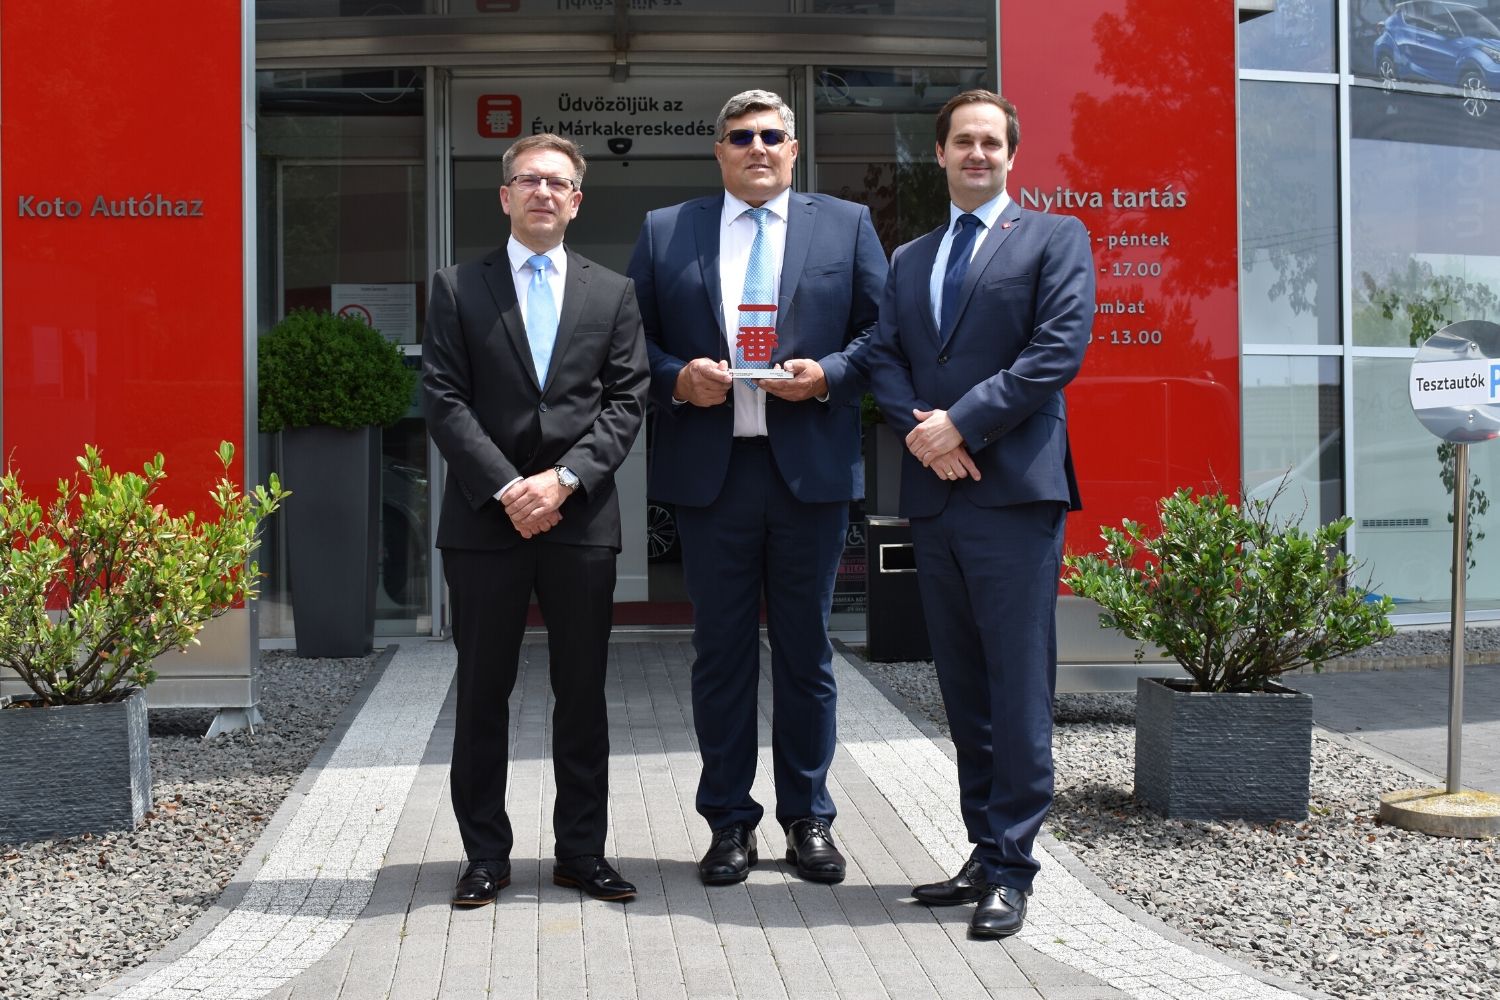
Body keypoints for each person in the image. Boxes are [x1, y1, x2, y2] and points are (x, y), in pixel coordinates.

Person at [626, 89, 887, 886]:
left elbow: (884, 331)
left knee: (807, 654)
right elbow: (630, 340)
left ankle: (809, 819)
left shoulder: (846, 225)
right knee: (721, 656)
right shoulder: (667, 230)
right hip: (715, 476)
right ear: (719, 151)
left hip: (808, 474)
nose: (758, 148)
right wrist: (678, 379)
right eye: (741, 137)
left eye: (772, 135)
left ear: (794, 149)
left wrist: (829, 373)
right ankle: (728, 823)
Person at [868, 90, 1094, 938]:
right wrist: (923, 434)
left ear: (1011, 155)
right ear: (938, 154)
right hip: (937, 495)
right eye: (962, 141)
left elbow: (1056, 349)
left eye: (990, 142)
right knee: (962, 685)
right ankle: (982, 847)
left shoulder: (1053, 238)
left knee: (1016, 684)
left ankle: (1014, 869)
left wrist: (960, 423)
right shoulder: (910, 257)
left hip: (1013, 494)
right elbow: (885, 355)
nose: (976, 153)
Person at [423, 133, 648, 908]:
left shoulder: (612, 293)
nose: (543, 192)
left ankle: (582, 853)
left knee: (581, 694)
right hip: (484, 524)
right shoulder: (457, 287)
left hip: (579, 521)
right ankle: (485, 855)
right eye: (529, 180)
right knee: (482, 694)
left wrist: (562, 481)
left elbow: (626, 402)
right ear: (505, 196)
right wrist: (508, 488)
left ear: (576, 201)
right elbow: (442, 399)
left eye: (558, 183)